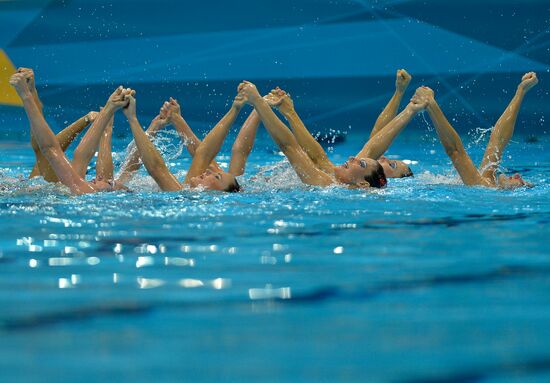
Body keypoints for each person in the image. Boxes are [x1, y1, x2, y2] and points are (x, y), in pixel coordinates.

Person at [238, 81, 427, 189]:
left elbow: (290, 147)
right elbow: (374, 143)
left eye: (361, 163)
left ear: (362, 184)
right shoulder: (343, 177)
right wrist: (410, 109)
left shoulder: (325, 184)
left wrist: (258, 102)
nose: (354, 157)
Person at [263, 69, 414, 178]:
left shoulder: (336, 182)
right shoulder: (353, 174)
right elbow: (377, 137)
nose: (384, 159)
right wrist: (399, 93)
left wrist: (264, 105)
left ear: (385, 180)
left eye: (392, 165)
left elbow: (290, 147)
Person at [10, 69, 133, 194]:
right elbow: (81, 156)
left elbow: (49, 148)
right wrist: (108, 111)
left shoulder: (80, 189)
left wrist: (26, 95)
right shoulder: (82, 185)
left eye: (109, 182)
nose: (100, 177)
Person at [122, 86, 260, 192]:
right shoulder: (192, 190)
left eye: (216, 177)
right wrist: (242, 107)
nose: (208, 171)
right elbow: (204, 154)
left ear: (218, 194)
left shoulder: (181, 195)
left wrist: (132, 118)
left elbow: (156, 168)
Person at [414, 72, 538, 189]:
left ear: (512, 192)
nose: (517, 175)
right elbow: (497, 140)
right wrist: (521, 91)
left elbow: (454, 151)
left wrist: (430, 103)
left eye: (522, 182)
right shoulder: (488, 181)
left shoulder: (483, 187)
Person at [17, 68, 100, 183]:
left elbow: (48, 149)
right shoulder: (76, 187)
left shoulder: (75, 188)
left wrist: (28, 94)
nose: (96, 180)